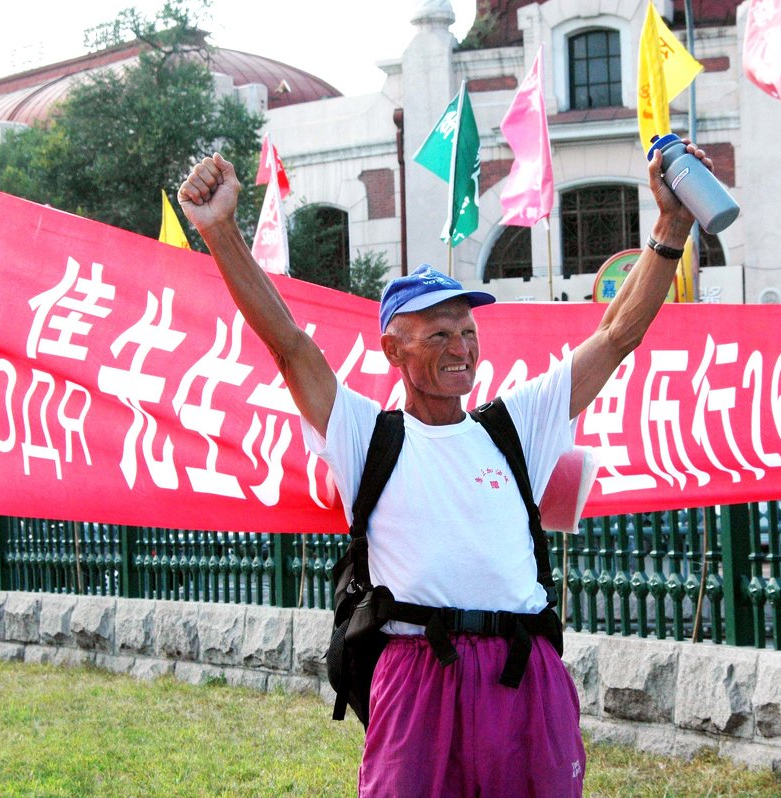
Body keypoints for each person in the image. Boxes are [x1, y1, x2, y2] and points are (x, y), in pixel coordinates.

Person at [177, 140, 710, 798]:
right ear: (392, 348)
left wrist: (670, 228)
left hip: (524, 672)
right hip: (416, 672)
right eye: (439, 334)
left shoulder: (516, 425)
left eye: (468, 332)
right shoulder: (364, 435)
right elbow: (288, 344)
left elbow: (616, 335)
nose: (462, 348)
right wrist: (220, 230)